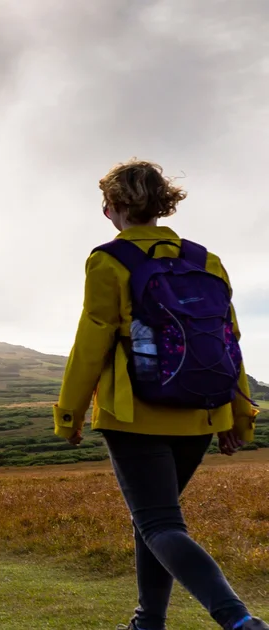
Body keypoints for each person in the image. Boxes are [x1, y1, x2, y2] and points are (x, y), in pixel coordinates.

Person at [54, 159, 263, 630]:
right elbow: (228, 340)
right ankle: (147, 621)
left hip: (135, 415)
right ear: (162, 203)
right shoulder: (205, 260)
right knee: (152, 521)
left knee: (159, 524)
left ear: (113, 207)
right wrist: (237, 416)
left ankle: (239, 620)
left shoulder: (108, 260)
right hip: (199, 414)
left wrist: (69, 414)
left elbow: (93, 340)